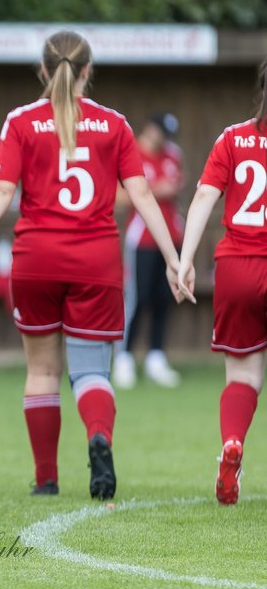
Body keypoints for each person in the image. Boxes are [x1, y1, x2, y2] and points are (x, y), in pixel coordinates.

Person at [0, 30, 192, 499]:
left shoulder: (21, 121)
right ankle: (98, 436)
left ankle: (46, 479)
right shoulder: (115, 124)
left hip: (36, 259)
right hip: (96, 261)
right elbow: (142, 193)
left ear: (43, 71)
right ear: (88, 71)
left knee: (42, 371)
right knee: (91, 373)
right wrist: (174, 258)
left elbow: (3, 191)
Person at [176, 59, 267, 505]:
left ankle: (232, 442)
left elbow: (204, 197)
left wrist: (185, 259)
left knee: (243, 373)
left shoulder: (232, 138)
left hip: (238, 268)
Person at [114, 112, 185, 389]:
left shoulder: (172, 154)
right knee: (137, 298)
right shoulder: (133, 153)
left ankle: (156, 356)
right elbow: (120, 195)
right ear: (149, 129)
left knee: (163, 298)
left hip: (170, 236)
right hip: (141, 239)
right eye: (160, 132)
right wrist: (157, 190)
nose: (163, 140)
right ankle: (125, 358)